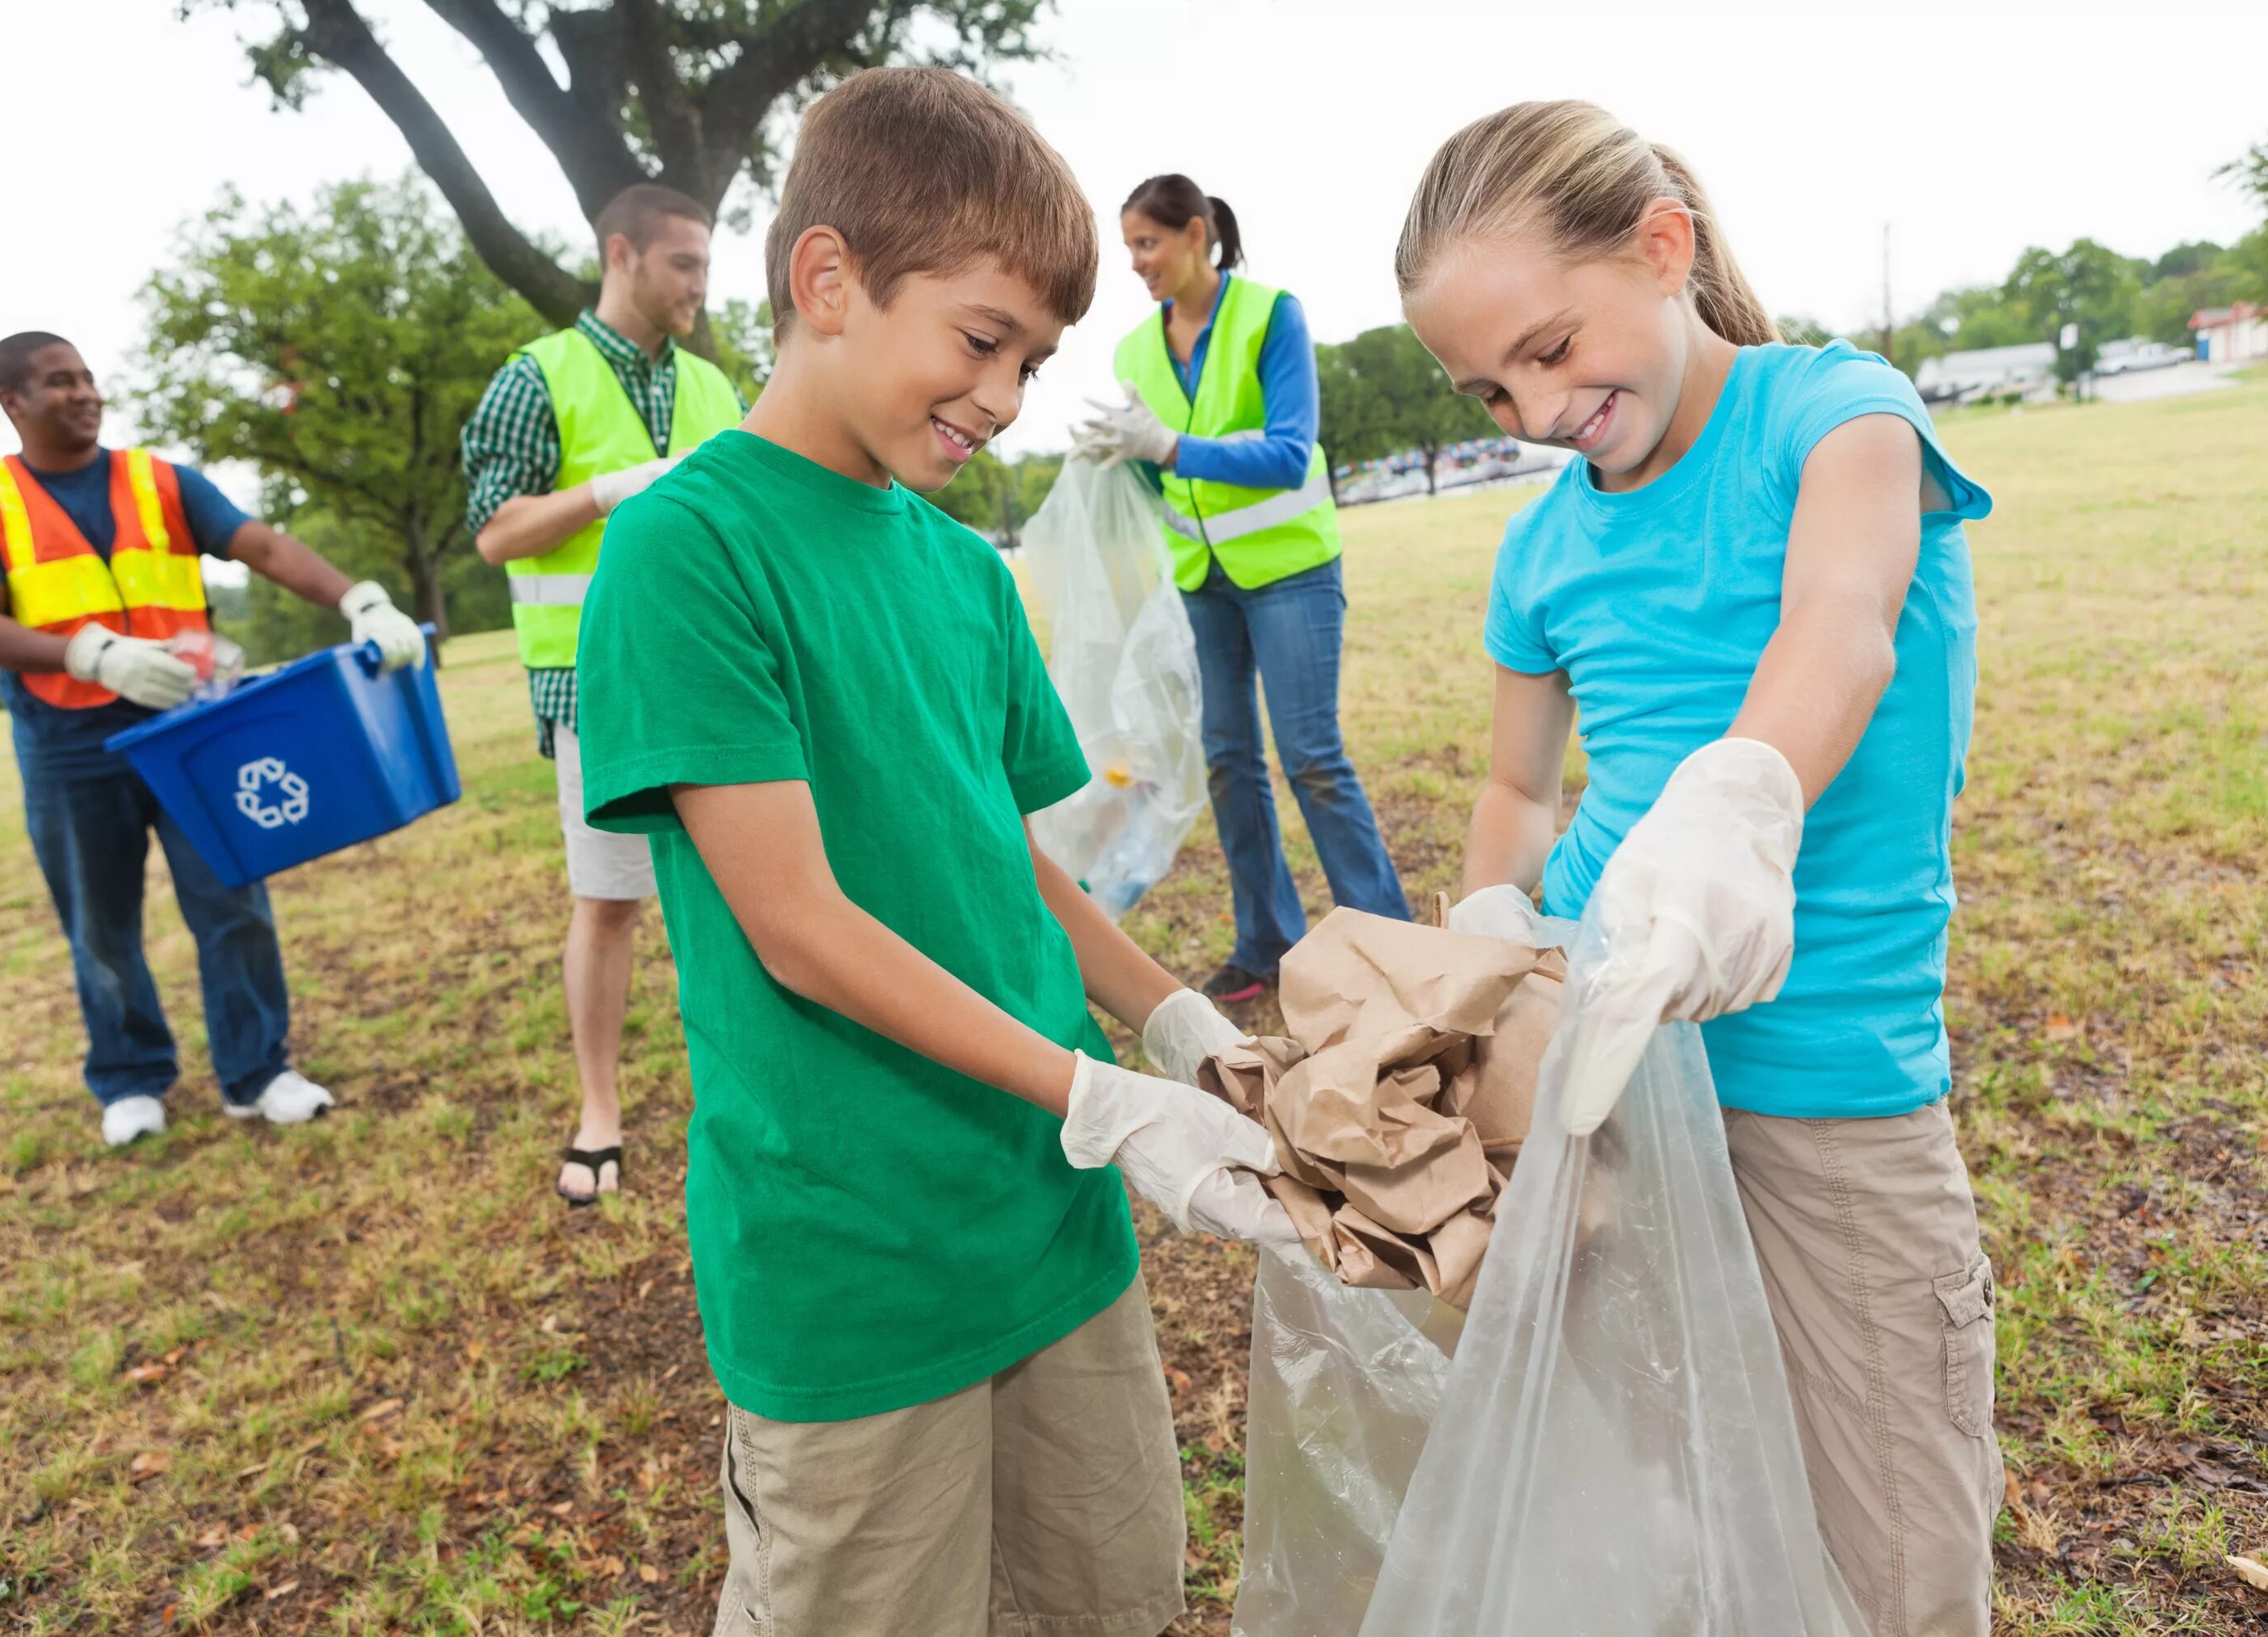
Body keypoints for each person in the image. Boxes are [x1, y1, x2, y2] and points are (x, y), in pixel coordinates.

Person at [573, 66, 1297, 1636]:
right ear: (828, 280)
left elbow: (1017, 870)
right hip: (857, 1258)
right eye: (981, 342)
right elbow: (800, 928)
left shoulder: (967, 574)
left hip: (1050, 1221)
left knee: (1107, 1590)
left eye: (1032, 363)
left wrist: (1173, 1027)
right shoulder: (688, 548)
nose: (1004, 399)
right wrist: (1099, 1097)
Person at [1405, 102, 1999, 1636]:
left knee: (1897, 1533)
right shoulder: (1539, 551)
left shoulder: (1838, 415)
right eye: (1488, 387)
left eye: (1550, 348)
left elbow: (1842, 626)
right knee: (1664, 1500)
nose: (1532, 410)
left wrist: (1735, 813)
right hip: (1599, 1088)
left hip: (1822, 1084)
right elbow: (1517, 787)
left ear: (1661, 246)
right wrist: (1493, 935)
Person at [0, 332, 426, 1148]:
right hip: (67, 739)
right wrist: (89, 652)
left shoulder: (158, 480)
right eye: (60, 382)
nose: (86, 392)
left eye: (89, 376)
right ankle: (129, 1076)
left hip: (192, 726)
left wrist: (360, 598)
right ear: (11, 401)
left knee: (233, 899)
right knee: (101, 923)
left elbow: (259, 544)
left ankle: (257, 1070)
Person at [462, 183, 747, 1206]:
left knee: (746, 893)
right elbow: (495, 532)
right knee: (611, 901)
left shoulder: (717, 386)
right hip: (597, 686)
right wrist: (604, 491)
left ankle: (752, 1088)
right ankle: (599, 1111)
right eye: (684, 265)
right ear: (620, 253)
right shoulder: (535, 379)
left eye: (708, 267)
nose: (700, 287)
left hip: (717, 674)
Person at [1074, 174, 1409, 1005]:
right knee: (1228, 762)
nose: (1137, 264)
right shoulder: (1133, 352)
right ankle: (1267, 943)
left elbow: (1290, 451)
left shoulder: (1270, 315)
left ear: (1196, 235)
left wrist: (1172, 446)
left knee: (1311, 757)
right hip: (1202, 582)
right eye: (1129, 250)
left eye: (1147, 244)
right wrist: (1124, 460)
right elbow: (1161, 474)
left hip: (1290, 568)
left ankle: (1391, 945)